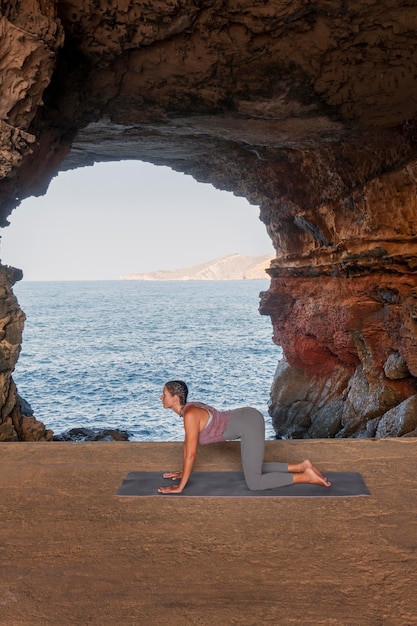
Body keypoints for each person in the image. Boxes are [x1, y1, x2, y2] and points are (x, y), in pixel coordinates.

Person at [158, 380, 331, 494]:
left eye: (164, 394)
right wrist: (182, 471)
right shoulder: (188, 410)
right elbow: (187, 445)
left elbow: (191, 453)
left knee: (254, 483)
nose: (161, 398)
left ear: (174, 398)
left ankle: (306, 477)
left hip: (250, 423)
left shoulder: (190, 414)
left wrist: (180, 487)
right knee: (253, 469)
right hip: (247, 419)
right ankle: (302, 466)